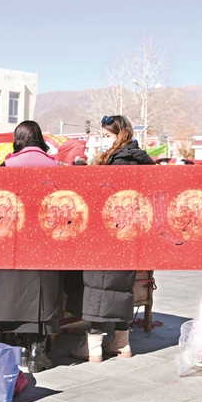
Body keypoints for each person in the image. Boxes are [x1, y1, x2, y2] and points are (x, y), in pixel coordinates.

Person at [67, 114, 154, 363]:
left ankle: (93, 344)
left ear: (119, 135)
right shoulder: (142, 160)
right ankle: (121, 342)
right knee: (121, 287)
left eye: (107, 136)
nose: (103, 140)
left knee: (100, 284)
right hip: (130, 233)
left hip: (108, 231)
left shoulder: (119, 161)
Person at [0, 121, 63, 373]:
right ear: (39, 138)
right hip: (45, 239)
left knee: (14, 291)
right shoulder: (55, 166)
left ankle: (20, 351)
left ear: (18, 139)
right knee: (44, 292)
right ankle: (38, 353)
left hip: (13, 239)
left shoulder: (7, 165)